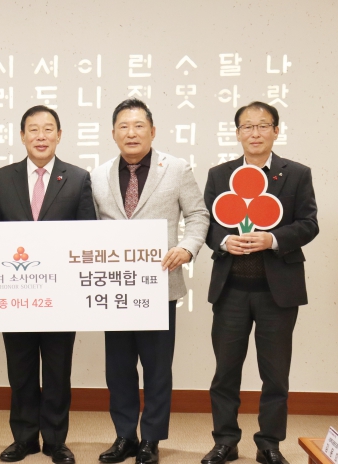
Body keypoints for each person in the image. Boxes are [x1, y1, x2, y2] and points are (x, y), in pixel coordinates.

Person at [91, 98, 209, 464]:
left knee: (157, 369)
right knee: (118, 369)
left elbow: (198, 215)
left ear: (153, 131)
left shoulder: (176, 168)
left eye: (139, 125)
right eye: (123, 126)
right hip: (115, 288)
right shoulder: (97, 175)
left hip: (160, 287)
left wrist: (187, 248)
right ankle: (125, 436)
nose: (131, 133)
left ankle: (151, 439)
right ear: (113, 133)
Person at [200, 102, 318, 464]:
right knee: (225, 373)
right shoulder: (219, 175)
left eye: (263, 126)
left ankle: (269, 444)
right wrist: (224, 241)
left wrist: (273, 239)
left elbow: (309, 223)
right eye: (247, 127)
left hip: (277, 292)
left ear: (276, 131)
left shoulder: (296, 174)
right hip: (231, 290)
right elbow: (206, 224)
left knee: (275, 375)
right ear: (237, 133)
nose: (255, 133)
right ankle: (225, 441)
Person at [0, 105, 95, 464]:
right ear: (22, 136)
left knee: (56, 370)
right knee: (20, 369)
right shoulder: (2, 178)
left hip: (60, 296)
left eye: (48, 129)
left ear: (59, 135)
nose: (40, 136)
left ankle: (55, 440)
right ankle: (23, 438)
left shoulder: (78, 178)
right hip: (14, 293)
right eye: (33, 129)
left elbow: (87, 237)